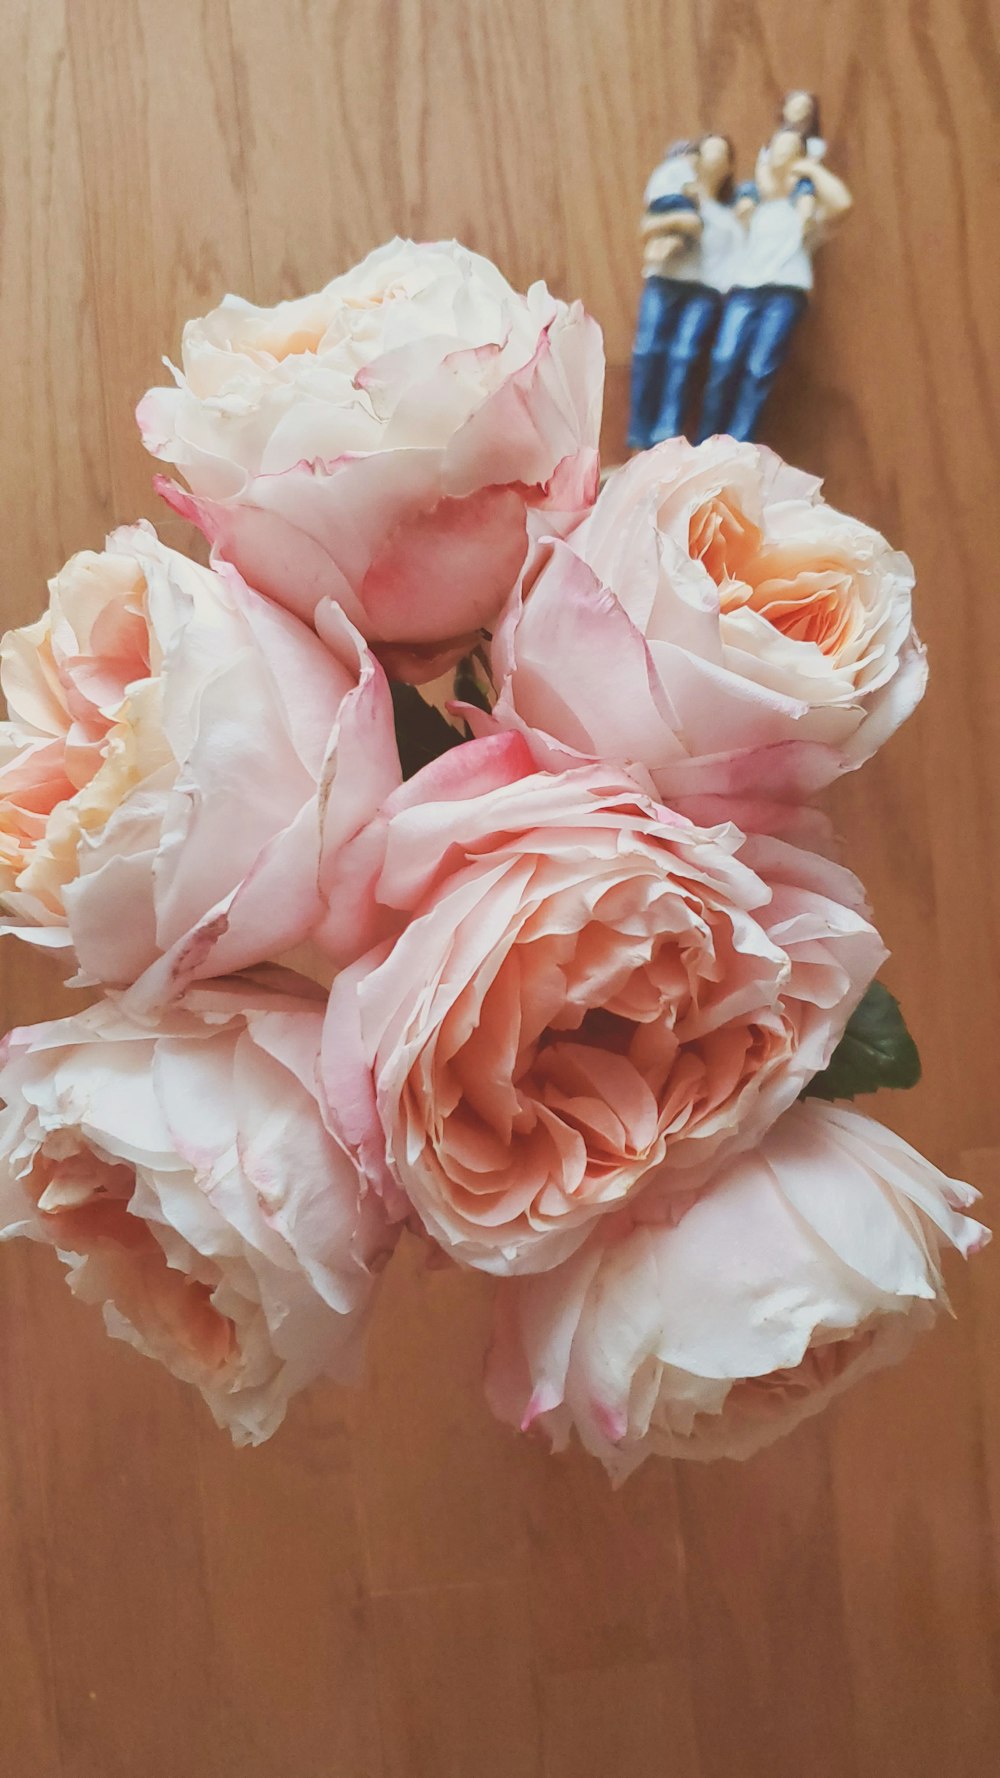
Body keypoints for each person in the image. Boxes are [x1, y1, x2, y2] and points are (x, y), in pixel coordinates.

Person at [696, 126, 852, 442]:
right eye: (778, 148)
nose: (783, 155)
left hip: (784, 295)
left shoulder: (806, 211)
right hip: (744, 292)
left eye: (791, 150)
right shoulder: (749, 203)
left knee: (758, 370)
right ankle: (705, 444)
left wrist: (811, 169)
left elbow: (843, 203)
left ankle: (738, 445)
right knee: (724, 362)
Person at [628, 135, 743, 448]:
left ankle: (666, 436)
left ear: (730, 166)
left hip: (704, 293)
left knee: (683, 356)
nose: (714, 158)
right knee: (648, 350)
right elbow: (647, 227)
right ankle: (639, 436)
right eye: (709, 150)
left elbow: (736, 259)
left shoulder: (729, 215)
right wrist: (682, 220)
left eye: (722, 153)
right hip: (664, 281)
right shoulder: (674, 192)